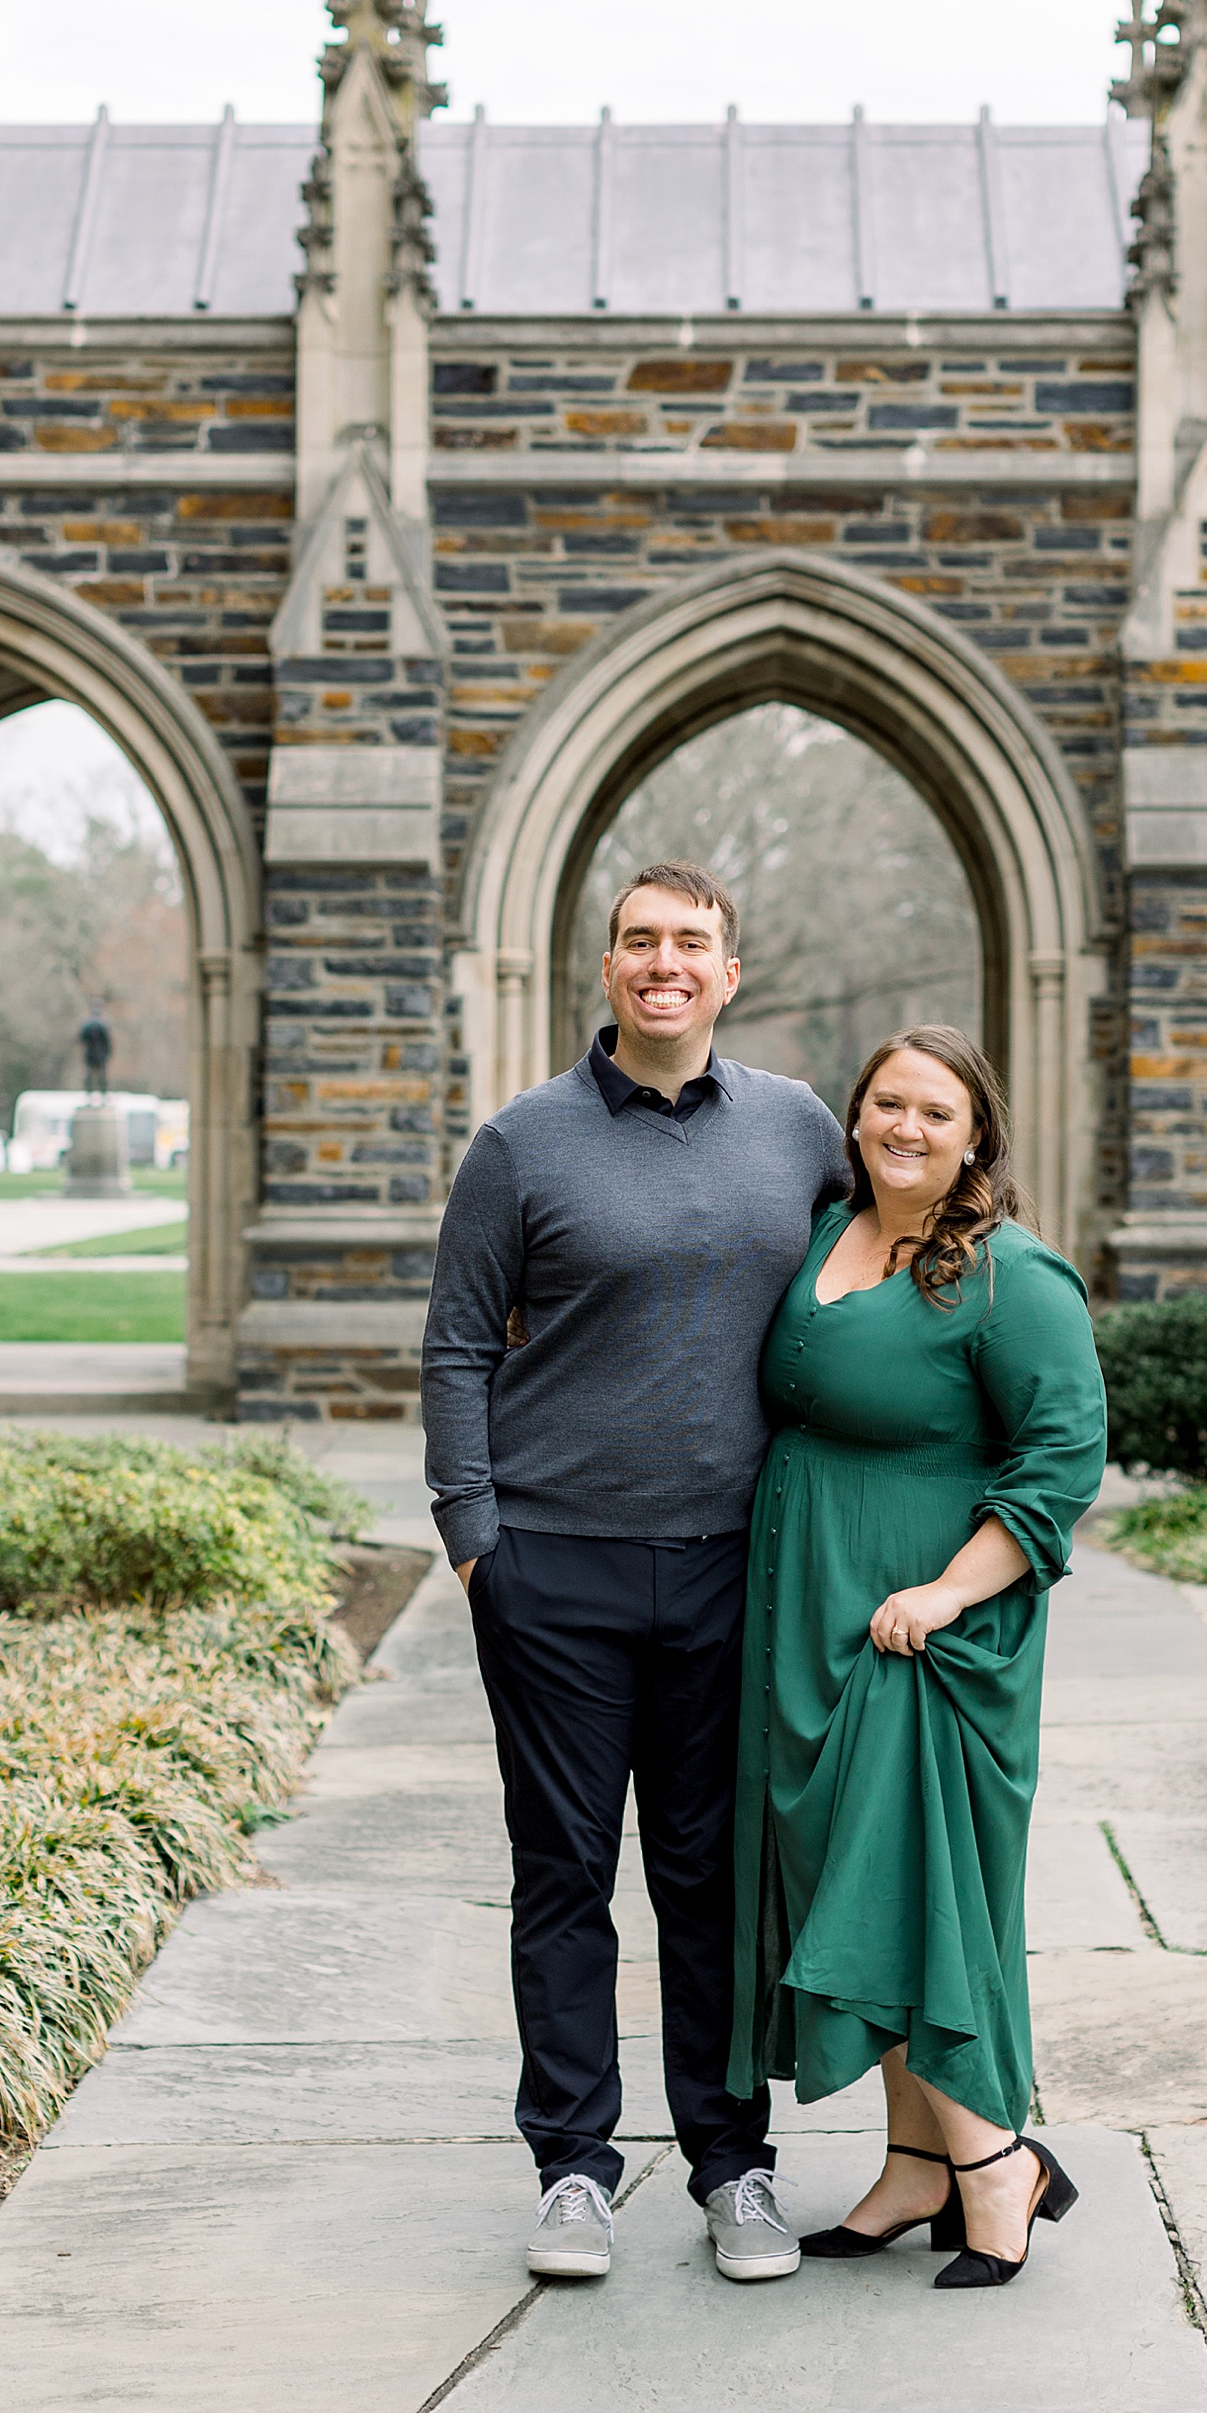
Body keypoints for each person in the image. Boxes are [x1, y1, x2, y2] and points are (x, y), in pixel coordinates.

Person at [421, 860, 849, 2285]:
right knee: (561, 1875)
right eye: (638, 941)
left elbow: (896, 1269)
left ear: (731, 971)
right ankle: (573, 2169)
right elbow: (459, 1346)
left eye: (692, 943)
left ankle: (733, 2167)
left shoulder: (798, 1129)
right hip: (554, 1570)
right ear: (605, 968)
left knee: (712, 1880)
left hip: (741, 1568)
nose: (664, 962)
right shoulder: (522, 1144)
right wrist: (475, 1538)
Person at [728, 1025, 1107, 2289]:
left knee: (913, 1886)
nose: (905, 1127)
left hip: (923, 1629)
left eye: (935, 1112)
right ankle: (914, 2162)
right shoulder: (832, 1227)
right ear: (855, 1115)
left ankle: (998, 2160)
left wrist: (947, 1591)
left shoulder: (1014, 1277)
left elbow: (1061, 1461)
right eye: (886, 1102)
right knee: (847, 1872)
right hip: (812, 1611)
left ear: (977, 1136)